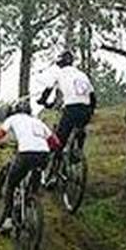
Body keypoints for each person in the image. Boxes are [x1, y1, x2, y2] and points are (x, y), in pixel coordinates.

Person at [0, 102, 59, 232]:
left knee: (11, 183)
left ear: (16, 111)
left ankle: (8, 219)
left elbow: (0, 134)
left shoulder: (13, 118)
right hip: (43, 155)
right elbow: (55, 142)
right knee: (33, 185)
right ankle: (30, 204)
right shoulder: (38, 122)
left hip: (26, 154)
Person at [38, 51, 96, 182]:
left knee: (58, 142)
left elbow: (48, 90)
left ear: (61, 63)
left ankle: (53, 174)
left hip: (71, 109)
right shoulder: (82, 74)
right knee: (80, 128)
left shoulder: (60, 73)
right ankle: (77, 152)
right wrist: (91, 110)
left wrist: (42, 101)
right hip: (85, 109)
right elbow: (92, 95)